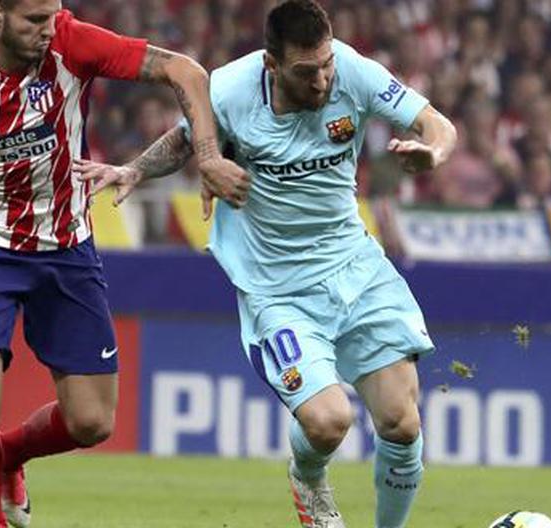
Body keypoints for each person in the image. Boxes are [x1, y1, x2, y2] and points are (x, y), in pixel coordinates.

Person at [75, 1, 457, 527]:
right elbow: (186, 141)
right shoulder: (231, 91)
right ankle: (307, 474)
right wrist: (136, 170)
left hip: (355, 266)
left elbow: (436, 123)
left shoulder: (354, 72)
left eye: (325, 64)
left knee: (401, 422)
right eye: (307, 71)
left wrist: (433, 152)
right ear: (271, 65)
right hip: (277, 290)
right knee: (328, 422)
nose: (322, 79)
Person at [0, 0, 247, 526]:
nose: (49, 31)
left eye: (54, 16)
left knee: (92, 423)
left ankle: (9, 458)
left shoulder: (71, 44)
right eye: (34, 21)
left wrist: (207, 156)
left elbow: (185, 69)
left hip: (67, 249)